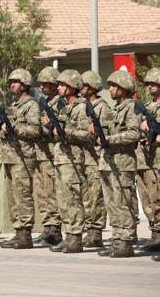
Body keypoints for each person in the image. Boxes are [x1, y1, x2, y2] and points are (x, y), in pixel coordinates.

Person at [97, 70, 141, 258]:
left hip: (123, 163)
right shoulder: (115, 109)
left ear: (124, 88)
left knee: (124, 202)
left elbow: (134, 133)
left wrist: (110, 139)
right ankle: (117, 239)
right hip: (108, 162)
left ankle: (126, 241)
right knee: (112, 204)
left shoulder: (131, 107)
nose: (111, 89)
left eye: (115, 86)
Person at [0, 68, 39, 250]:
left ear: (24, 85)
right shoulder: (13, 106)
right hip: (9, 156)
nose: (12, 85)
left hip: (23, 156)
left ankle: (26, 234)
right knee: (13, 197)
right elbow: (3, 131)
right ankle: (18, 230)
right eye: (11, 82)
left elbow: (35, 130)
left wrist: (14, 128)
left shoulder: (31, 106)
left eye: (15, 82)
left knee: (23, 196)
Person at [47, 70, 89, 254]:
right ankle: (68, 236)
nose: (60, 88)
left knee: (73, 198)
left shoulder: (82, 108)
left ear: (73, 87)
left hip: (73, 159)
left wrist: (66, 132)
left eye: (64, 85)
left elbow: (88, 134)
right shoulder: (64, 108)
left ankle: (76, 237)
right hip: (60, 157)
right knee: (62, 198)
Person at [33, 66, 64, 246]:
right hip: (41, 153)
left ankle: (55, 230)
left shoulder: (60, 103)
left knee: (52, 192)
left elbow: (61, 129)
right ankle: (47, 227)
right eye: (41, 84)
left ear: (54, 85)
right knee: (42, 192)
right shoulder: (44, 103)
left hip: (53, 153)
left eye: (46, 84)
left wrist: (49, 126)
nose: (43, 87)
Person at [79, 71, 109, 248]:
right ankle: (90, 228)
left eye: (84, 85)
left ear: (92, 87)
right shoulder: (84, 105)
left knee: (96, 196)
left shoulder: (101, 107)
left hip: (97, 158)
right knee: (87, 196)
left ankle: (95, 231)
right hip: (84, 157)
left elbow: (103, 133)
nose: (81, 88)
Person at [136, 67, 160, 252]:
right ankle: (155, 232)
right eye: (149, 83)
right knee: (147, 198)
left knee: (157, 197)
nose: (151, 86)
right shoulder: (147, 106)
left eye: (154, 83)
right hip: (145, 159)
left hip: (158, 160)